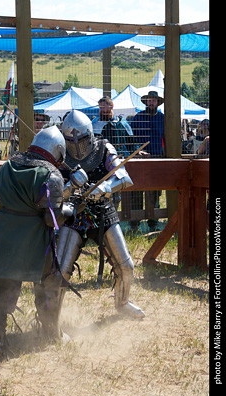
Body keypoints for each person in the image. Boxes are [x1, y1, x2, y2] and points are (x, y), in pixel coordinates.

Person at [0, 126, 87, 360]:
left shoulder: (8, 165)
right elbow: (51, 218)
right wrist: (71, 207)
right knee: (49, 281)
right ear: (58, 151)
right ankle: (51, 332)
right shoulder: (51, 176)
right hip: (33, 240)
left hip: (4, 233)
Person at [57, 110, 145, 319]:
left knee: (126, 267)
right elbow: (53, 190)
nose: (77, 145)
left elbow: (124, 177)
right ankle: (52, 319)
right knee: (60, 271)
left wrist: (103, 188)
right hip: (74, 214)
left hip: (103, 211)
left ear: (90, 135)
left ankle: (122, 304)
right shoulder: (60, 156)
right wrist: (71, 185)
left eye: (82, 139)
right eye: (70, 140)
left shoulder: (103, 148)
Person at [129, 90, 165, 232]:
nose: (151, 102)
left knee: (155, 191)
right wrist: (138, 150)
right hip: (139, 159)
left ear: (157, 102)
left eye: (153, 100)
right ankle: (134, 223)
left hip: (156, 158)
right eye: (149, 100)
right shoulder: (138, 118)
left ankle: (153, 222)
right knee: (137, 190)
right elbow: (131, 138)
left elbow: (167, 137)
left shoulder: (163, 118)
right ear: (146, 102)